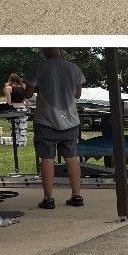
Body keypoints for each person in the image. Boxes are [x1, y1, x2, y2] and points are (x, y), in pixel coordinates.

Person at [24, 48, 85, 210]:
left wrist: (41, 88)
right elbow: (77, 94)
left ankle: (48, 198)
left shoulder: (37, 67)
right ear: (60, 50)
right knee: (72, 157)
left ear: (44, 50)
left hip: (46, 120)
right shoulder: (74, 68)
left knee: (47, 158)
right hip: (71, 120)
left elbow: (28, 94)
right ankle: (76, 195)